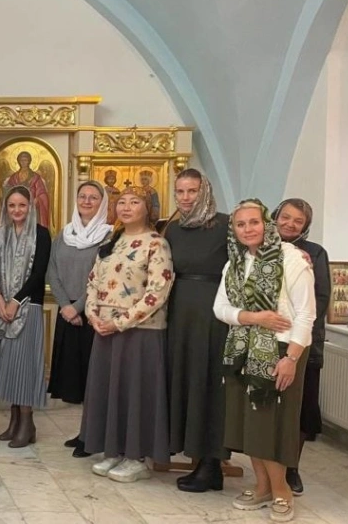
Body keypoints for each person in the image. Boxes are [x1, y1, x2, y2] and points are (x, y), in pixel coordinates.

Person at [214, 199, 316, 522]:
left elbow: (306, 315)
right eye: (240, 224)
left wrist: (291, 359)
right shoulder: (233, 263)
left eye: (253, 222)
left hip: (283, 351)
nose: (248, 229)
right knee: (249, 425)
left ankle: (282, 490)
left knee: (272, 425)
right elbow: (220, 308)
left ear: (267, 223)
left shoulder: (293, 259)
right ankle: (261, 488)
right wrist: (253, 316)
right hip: (243, 350)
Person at [80, 186, 174, 483]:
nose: (126, 207)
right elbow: (93, 281)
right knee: (110, 390)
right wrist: (92, 314)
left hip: (140, 331)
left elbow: (158, 291)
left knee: (136, 391)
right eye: (121, 202)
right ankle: (114, 450)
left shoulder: (157, 244)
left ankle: (136, 457)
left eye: (134, 202)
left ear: (148, 208)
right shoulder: (112, 241)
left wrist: (121, 322)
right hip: (105, 329)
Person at [163, 168, 231, 492]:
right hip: (179, 313)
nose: (186, 198)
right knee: (186, 380)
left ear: (204, 191)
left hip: (212, 315)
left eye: (192, 191)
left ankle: (211, 463)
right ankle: (193, 455)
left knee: (208, 384)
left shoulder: (225, 225)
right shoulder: (173, 229)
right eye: (180, 192)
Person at [47, 181, 112, 458]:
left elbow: (103, 277)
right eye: (82, 196)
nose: (87, 201)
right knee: (76, 379)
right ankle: (85, 432)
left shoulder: (109, 236)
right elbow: (52, 270)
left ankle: (95, 436)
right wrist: (65, 305)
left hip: (93, 315)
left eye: (93, 197)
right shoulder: (65, 234)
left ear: (102, 203)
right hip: (67, 314)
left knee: (94, 380)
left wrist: (79, 307)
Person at [271, 198, 330, 497]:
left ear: (306, 226)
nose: (290, 224)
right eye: (286, 217)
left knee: (300, 410)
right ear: (275, 216)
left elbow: (319, 301)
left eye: (298, 221)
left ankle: (291, 468)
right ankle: (268, 469)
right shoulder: (260, 246)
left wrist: (301, 339)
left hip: (302, 344)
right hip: (266, 340)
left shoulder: (315, 253)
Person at [0, 186, 51, 447]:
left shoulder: (41, 234)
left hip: (29, 307)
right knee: (9, 366)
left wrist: (15, 301)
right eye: (12, 205)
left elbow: (38, 273)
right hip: (3, 309)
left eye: (22, 205)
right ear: (6, 207)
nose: (17, 210)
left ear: (31, 206)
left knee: (25, 366)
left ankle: (27, 423)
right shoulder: (0, 234)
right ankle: (15, 420)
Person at [1, 151, 52, 229]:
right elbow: (8, 192)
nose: (23, 162)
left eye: (25, 160)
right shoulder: (14, 177)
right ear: (18, 161)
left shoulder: (35, 177)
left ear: (29, 161)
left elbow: (42, 193)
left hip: (32, 209)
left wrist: (37, 199)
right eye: (22, 160)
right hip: (16, 211)